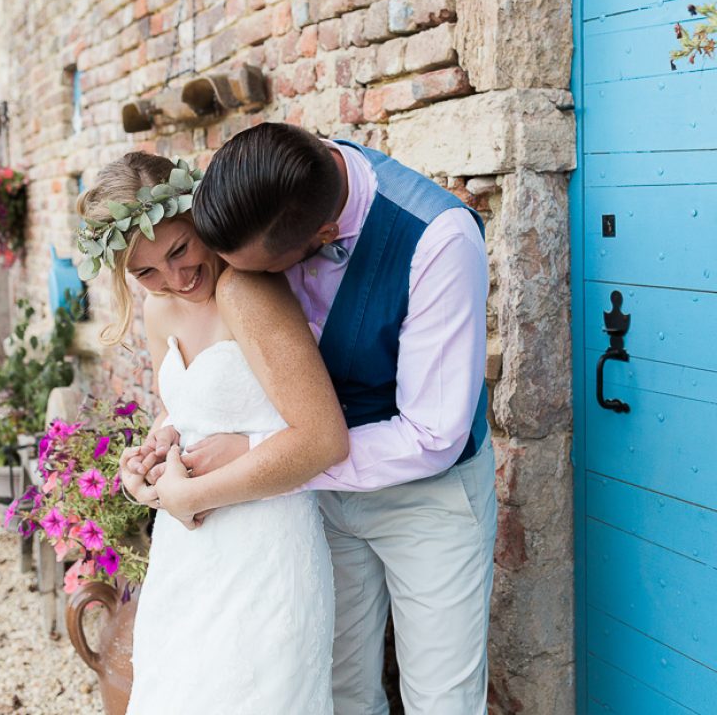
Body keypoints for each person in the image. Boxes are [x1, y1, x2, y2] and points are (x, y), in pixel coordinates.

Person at [139, 123, 497, 715]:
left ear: (325, 235)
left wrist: (260, 450)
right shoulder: (270, 182)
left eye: (251, 275)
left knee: (443, 700)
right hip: (305, 501)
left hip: (426, 495)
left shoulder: (440, 240)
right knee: (339, 692)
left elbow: (433, 435)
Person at [76, 151, 348, 715]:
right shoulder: (159, 312)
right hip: (188, 550)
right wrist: (148, 459)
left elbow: (321, 436)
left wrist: (227, 462)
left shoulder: (247, 293)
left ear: (197, 219)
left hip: (264, 542)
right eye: (146, 272)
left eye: (180, 250)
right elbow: (180, 410)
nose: (175, 279)